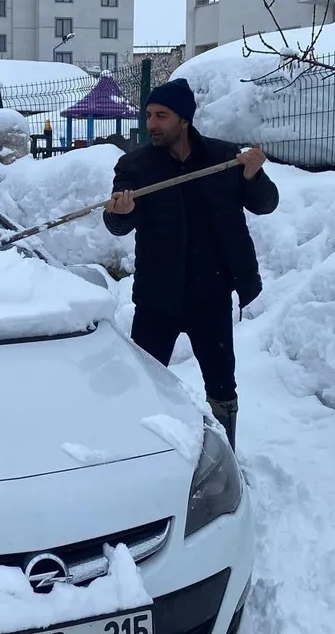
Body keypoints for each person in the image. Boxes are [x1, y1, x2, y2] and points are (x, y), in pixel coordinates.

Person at [102, 78, 279, 449]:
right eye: (149, 115)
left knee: (221, 385)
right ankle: (143, 451)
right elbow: (118, 224)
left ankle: (225, 453)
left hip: (210, 295)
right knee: (146, 383)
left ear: (184, 119)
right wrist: (121, 212)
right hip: (156, 299)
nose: (152, 123)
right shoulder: (134, 165)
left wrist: (252, 174)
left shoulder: (223, 157)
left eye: (161, 116)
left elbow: (265, 204)